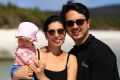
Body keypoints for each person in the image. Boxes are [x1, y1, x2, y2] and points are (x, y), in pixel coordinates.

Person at [61, 1, 120, 80]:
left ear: (88, 23)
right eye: (70, 23)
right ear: (65, 27)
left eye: (80, 22)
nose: (75, 26)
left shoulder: (101, 53)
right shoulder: (72, 53)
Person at [11, 15, 78, 80]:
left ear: (65, 33)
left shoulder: (71, 60)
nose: (56, 35)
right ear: (46, 35)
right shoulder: (34, 54)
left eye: (60, 31)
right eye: (51, 32)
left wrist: (41, 77)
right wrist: (15, 75)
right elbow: (18, 71)